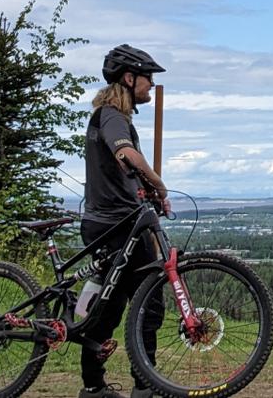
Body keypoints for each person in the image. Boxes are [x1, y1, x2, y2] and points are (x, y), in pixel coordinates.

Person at [79, 44, 169, 398]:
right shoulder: (113, 116)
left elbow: (124, 170)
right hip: (119, 225)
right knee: (149, 301)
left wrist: (147, 191)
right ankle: (144, 385)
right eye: (148, 78)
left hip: (108, 221)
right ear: (129, 79)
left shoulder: (107, 115)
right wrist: (159, 184)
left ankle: (93, 385)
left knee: (110, 304)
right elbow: (125, 154)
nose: (150, 85)